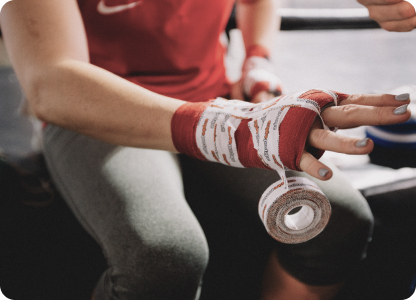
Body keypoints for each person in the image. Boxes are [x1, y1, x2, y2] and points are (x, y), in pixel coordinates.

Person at [0, 0, 411, 299]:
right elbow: (51, 82)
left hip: (214, 101)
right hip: (101, 114)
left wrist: (257, 60)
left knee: (341, 219)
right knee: (165, 260)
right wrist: (237, 131)